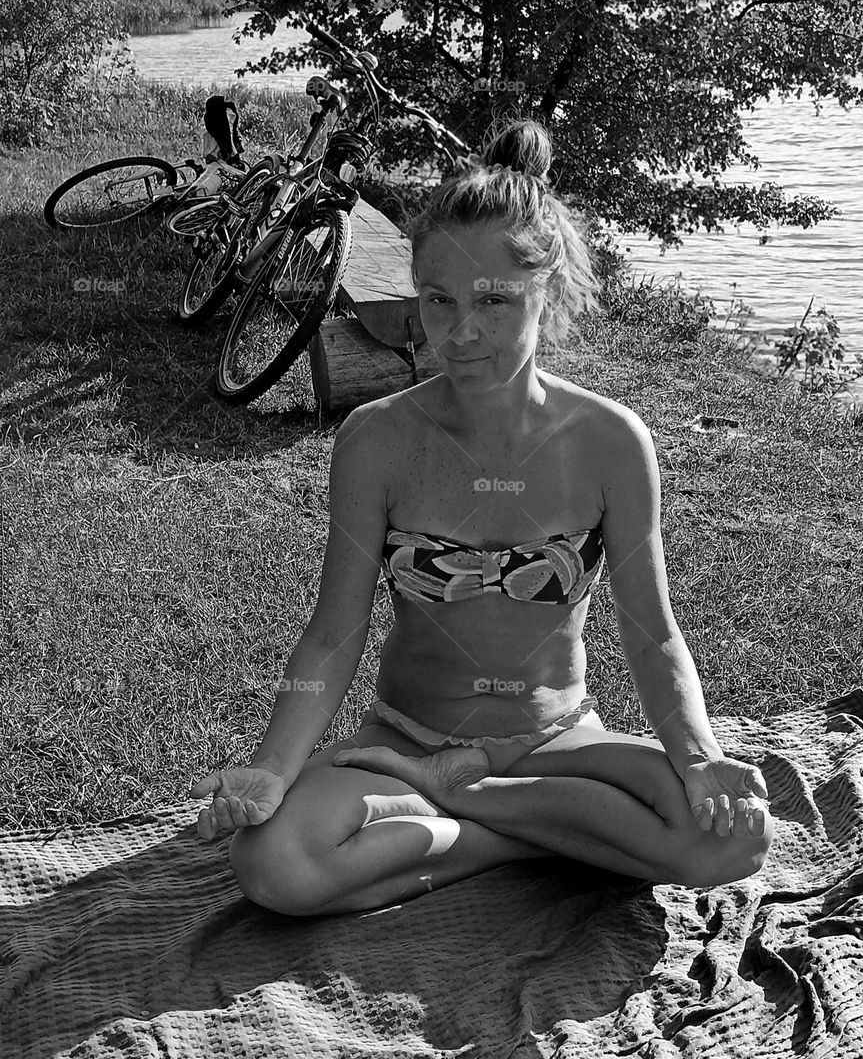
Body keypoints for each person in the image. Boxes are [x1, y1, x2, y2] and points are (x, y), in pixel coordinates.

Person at [190, 118, 775, 916]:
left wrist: (699, 756)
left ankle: (456, 808)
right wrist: (271, 767)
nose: (460, 332)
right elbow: (332, 634)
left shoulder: (609, 441)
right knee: (273, 864)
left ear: (550, 289)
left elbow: (654, 633)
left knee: (735, 839)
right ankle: (537, 835)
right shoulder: (376, 439)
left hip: (561, 746)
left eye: (494, 300)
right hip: (403, 742)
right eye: (438, 299)